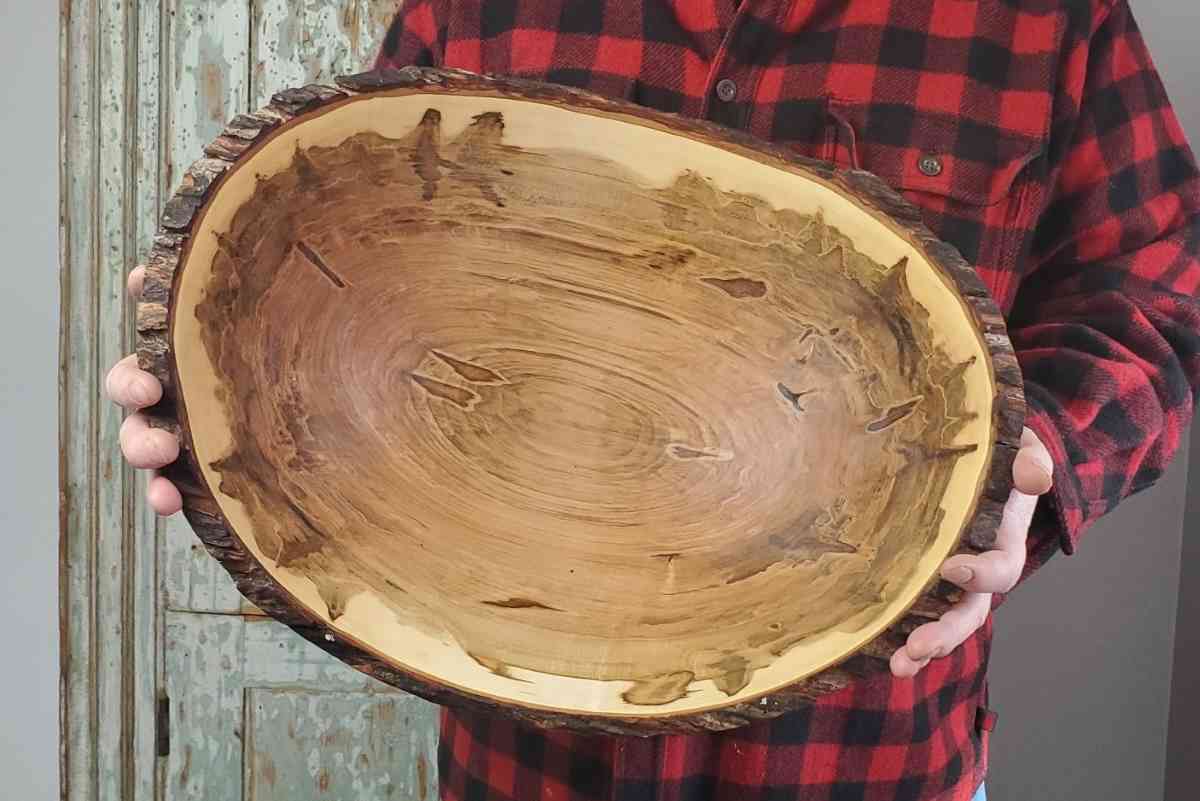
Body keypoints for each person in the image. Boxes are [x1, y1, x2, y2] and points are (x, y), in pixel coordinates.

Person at [106, 2, 1200, 799]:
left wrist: (1039, 471)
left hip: (870, 763)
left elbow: (1164, 276)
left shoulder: (1045, 17)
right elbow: (356, 255)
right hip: (527, 770)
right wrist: (225, 394)